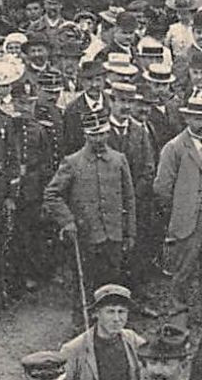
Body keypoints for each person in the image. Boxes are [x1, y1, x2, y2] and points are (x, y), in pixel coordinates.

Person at [44, 110, 136, 319]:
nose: (99, 139)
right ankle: (82, 324)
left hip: (114, 235)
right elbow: (52, 194)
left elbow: (129, 199)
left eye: (102, 133)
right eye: (93, 134)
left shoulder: (119, 160)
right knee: (84, 284)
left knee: (112, 284)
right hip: (86, 236)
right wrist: (67, 221)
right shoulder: (72, 162)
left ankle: (111, 324)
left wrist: (130, 233)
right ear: (85, 135)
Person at [154, 96, 202, 323]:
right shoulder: (174, 147)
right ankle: (178, 312)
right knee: (184, 267)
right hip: (189, 216)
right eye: (198, 118)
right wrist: (181, 208)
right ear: (186, 118)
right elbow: (162, 187)